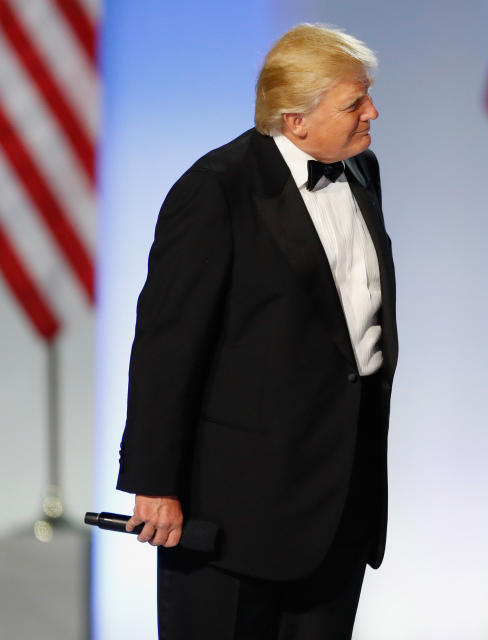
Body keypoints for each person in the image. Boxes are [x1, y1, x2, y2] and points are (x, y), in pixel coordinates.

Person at [114, 23, 398, 639]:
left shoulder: (362, 173)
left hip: (339, 504)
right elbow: (167, 343)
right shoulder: (216, 190)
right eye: (354, 102)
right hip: (232, 516)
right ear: (295, 120)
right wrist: (155, 484)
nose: (372, 112)